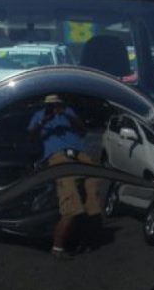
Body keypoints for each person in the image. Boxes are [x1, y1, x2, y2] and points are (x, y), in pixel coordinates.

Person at [28, 94, 101, 260]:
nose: (54, 107)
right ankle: (58, 247)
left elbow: (83, 130)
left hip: (80, 154)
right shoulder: (39, 116)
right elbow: (31, 136)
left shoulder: (69, 112)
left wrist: (66, 114)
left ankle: (88, 235)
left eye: (57, 104)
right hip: (58, 156)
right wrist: (44, 120)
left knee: (93, 193)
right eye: (51, 105)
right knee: (70, 199)